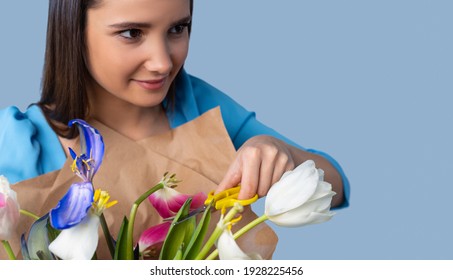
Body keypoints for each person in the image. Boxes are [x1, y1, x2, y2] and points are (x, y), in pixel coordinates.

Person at [0, 0, 349, 209]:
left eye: (178, 28)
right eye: (132, 33)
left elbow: (335, 184)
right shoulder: (19, 140)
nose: (163, 62)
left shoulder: (200, 105)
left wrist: (277, 153)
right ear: (73, 29)